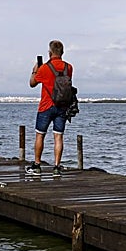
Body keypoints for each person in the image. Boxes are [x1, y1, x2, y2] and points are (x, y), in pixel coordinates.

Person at [27, 40, 73, 174]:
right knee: (58, 137)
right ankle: (57, 166)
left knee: (40, 135)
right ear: (62, 52)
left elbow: (32, 83)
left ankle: (37, 165)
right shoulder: (69, 67)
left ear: (50, 52)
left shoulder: (44, 68)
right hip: (62, 106)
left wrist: (34, 71)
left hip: (46, 106)